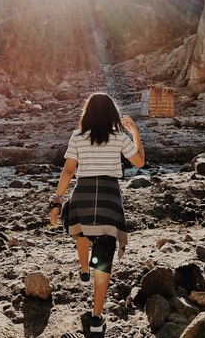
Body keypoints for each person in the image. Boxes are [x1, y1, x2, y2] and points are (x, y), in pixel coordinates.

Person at [49, 92, 145, 334]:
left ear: (87, 113)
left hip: (82, 194)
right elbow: (140, 163)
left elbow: (69, 171)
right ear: (112, 113)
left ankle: (83, 270)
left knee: (80, 230)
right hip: (109, 199)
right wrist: (135, 132)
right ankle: (96, 318)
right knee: (104, 256)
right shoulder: (119, 137)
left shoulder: (78, 137)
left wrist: (57, 200)